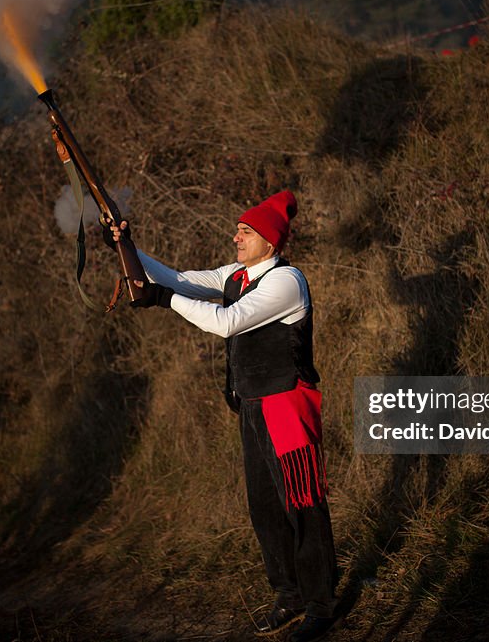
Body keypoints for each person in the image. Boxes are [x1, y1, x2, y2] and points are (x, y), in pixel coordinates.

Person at [110, 190, 338, 642]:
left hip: (287, 406)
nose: (236, 235)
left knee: (303, 507)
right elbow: (176, 277)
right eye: (238, 228)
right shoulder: (236, 275)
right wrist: (123, 245)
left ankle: (320, 604)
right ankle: (288, 596)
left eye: (246, 231)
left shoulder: (286, 282)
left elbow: (226, 322)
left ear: (269, 243)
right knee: (265, 509)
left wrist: (161, 299)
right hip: (252, 406)